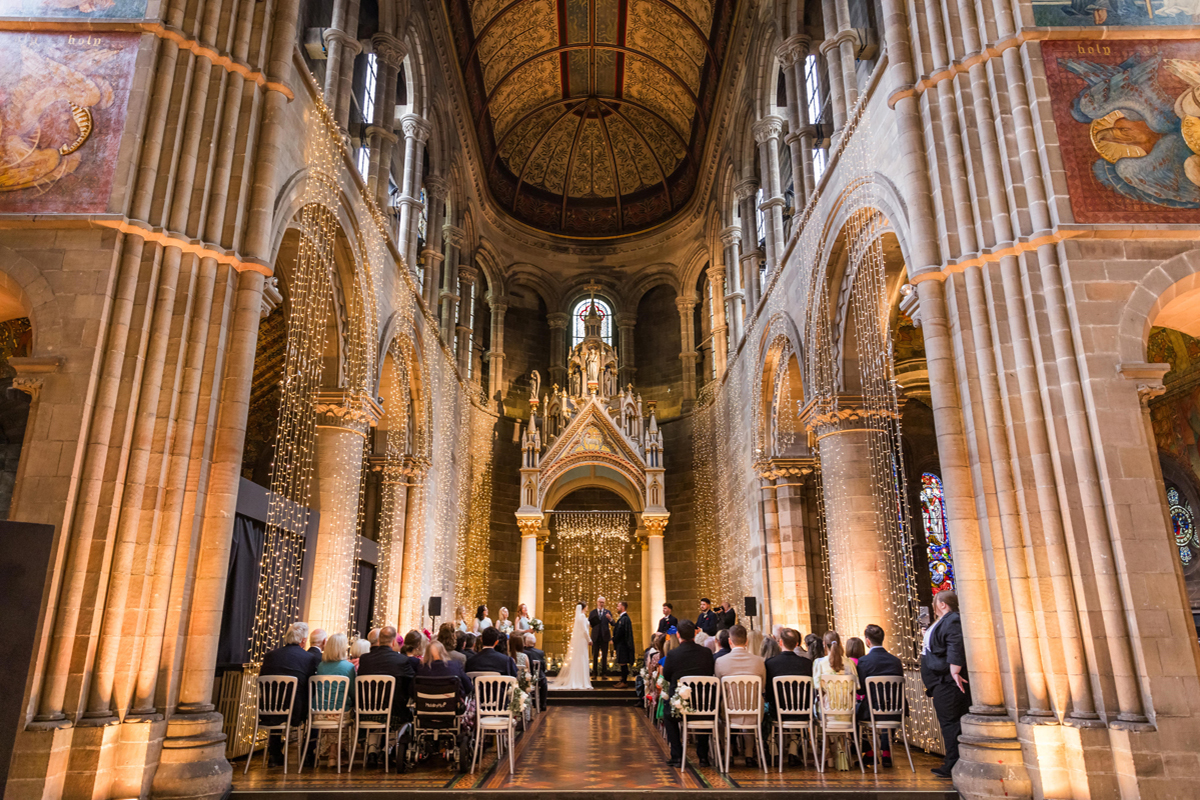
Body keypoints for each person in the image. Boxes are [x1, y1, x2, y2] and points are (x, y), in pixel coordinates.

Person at [921, 590, 969, 779]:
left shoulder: (952, 619)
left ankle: (953, 763)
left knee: (951, 723)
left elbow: (955, 643)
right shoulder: (943, 621)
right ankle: (953, 761)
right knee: (948, 722)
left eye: (935, 602)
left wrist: (954, 669)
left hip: (948, 682)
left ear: (942, 604)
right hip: (940, 682)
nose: (934, 606)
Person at [259, 622, 320, 766]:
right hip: (295, 712)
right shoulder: (308, 658)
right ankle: (307, 754)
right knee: (314, 709)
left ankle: (274, 753)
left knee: (277, 702)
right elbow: (311, 686)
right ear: (303, 641)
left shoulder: (269, 656)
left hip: (267, 710)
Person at [662, 620, 716, 768]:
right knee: (703, 709)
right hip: (704, 707)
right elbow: (710, 673)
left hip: (680, 708)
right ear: (695, 634)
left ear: (678, 635)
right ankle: (703, 756)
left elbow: (666, 676)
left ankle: (677, 755)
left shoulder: (673, 654)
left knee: (668, 714)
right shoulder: (706, 653)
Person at [714, 623, 768, 768]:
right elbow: (762, 687)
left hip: (729, 712)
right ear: (747, 641)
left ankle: (729, 753)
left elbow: (719, 689)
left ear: (730, 641)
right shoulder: (759, 661)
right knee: (750, 710)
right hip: (755, 711)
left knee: (719, 718)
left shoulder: (720, 661)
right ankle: (749, 755)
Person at [765, 629, 814, 766]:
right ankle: (793, 752)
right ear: (797, 644)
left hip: (778, 711)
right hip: (802, 711)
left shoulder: (770, 663)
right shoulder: (807, 663)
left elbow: (768, 692)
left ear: (780, 642)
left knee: (765, 714)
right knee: (796, 714)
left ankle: (773, 751)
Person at [857, 624, 904, 769]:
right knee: (886, 708)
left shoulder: (864, 661)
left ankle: (869, 752)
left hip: (872, 710)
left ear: (867, 641)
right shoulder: (896, 661)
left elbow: (861, 690)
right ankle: (886, 752)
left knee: (852, 715)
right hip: (896, 709)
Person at [357, 626, 416, 723]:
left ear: (379, 641)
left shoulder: (364, 659)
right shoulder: (401, 660)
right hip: (394, 714)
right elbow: (412, 684)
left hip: (366, 713)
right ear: (393, 642)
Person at [551, 602, 593, 689]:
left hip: (581, 640)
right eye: (586, 606)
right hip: (582, 640)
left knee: (580, 659)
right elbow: (585, 630)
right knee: (582, 659)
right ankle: (580, 681)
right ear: (584, 607)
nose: (587, 607)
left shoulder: (581, 616)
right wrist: (589, 639)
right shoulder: (581, 616)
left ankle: (579, 679)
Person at [316, 632, 356, 710]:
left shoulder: (321, 666)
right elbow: (353, 693)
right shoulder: (349, 667)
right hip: (340, 711)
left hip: (318, 709)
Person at [589, 596, 614, 677]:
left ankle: (604, 673)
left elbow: (613, 624)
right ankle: (594, 672)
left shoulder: (607, 612)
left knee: (604, 656)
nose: (601, 604)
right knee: (595, 655)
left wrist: (610, 619)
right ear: (597, 602)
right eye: (600, 602)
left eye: (603, 602)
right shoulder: (592, 612)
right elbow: (589, 624)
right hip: (595, 637)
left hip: (605, 637)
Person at [613, 600, 636, 688]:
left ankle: (624, 681)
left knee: (623, 663)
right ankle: (623, 679)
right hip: (621, 644)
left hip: (623, 645)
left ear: (622, 607)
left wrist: (614, 639)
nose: (617, 608)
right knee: (622, 663)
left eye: (618, 606)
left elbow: (621, 632)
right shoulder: (622, 618)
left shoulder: (625, 619)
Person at [524, 632, 548, 707]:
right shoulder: (540, 652)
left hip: (524, 678)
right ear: (534, 643)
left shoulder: (522, 651)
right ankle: (542, 704)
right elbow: (543, 666)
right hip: (537, 678)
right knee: (544, 683)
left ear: (525, 643)